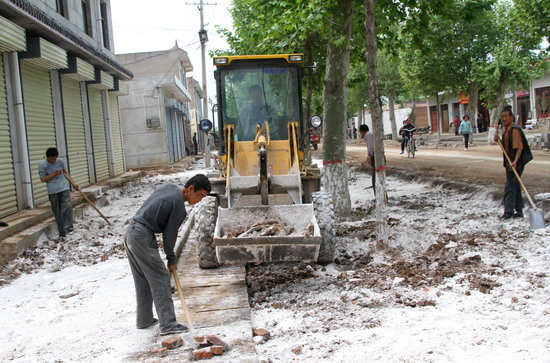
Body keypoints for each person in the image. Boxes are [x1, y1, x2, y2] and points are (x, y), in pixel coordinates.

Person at [124, 174, 211, 335]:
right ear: (190, 188)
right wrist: (171, 259)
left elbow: (157, 194)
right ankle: (168, 324)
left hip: (131, 232)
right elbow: (169, 236)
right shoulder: (178, 206)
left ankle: (144, 320)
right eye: (200, 195)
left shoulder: (169, 187)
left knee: (143, 279)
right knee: (161, 278)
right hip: (142, 236)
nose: (199, 200)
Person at [494, 108, 532, 220]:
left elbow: (519, 148)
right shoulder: (507, 130)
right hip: (510, 162)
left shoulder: (515, 130)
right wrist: (498, 140)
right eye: (502, 117)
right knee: (515, 186)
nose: (504, 119)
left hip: (516, 163)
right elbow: (506, 147)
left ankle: (508, 212)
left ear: (511, 117)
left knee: (510, 187)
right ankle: (519, 211)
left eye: (506, 116)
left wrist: (515, 162)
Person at [38, 147, 78, 238]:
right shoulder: (43, 165)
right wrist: (54, 174)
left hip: (64, 188)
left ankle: (69, 227)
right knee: (57, 211)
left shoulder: (60, 161)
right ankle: (62, 231)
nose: (54, 160)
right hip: (53, 191)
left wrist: (73, 183)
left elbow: (66, 173)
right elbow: (43, 179)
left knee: (67, 207)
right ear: (47, 157)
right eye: (52, 158)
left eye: (55, 158)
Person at [359, 124, 375, 194]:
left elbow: (371, 147)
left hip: (375, 157)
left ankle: (378, 197)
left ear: (362, 131)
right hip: (374, 156)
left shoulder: (368, 135)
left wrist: (369, 156)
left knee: (375, 179)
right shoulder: (369, 135)